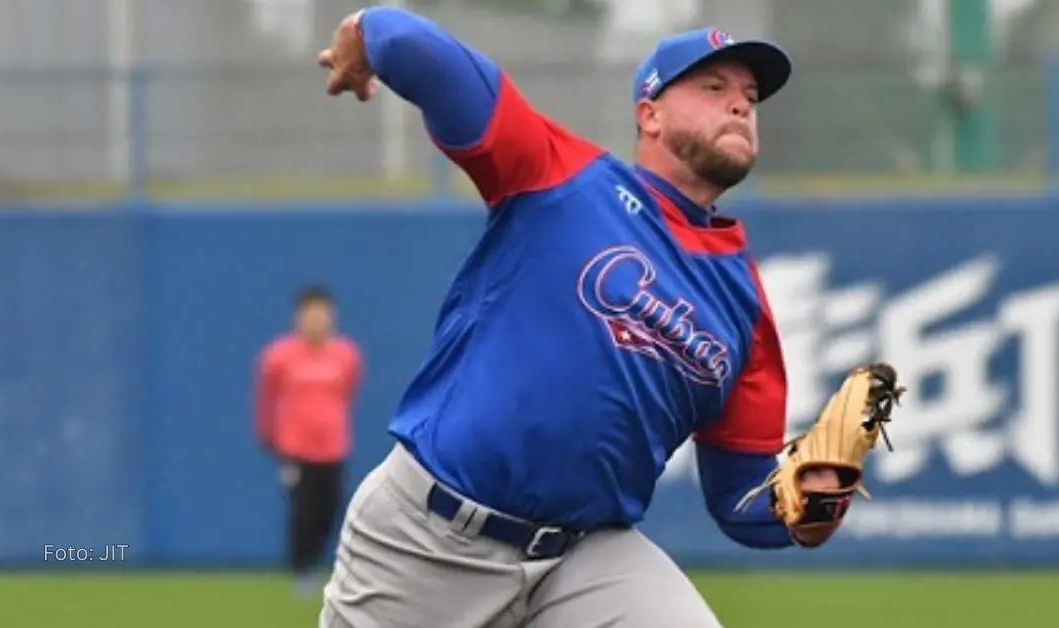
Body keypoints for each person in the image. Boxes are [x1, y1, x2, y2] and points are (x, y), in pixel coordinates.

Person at [313, 6, 881, 627]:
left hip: (585, 558)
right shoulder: (563, 177)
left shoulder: (742, 302)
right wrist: (363, 29)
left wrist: (812, 501)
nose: (741, 105)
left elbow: (741, 500)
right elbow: (412, 44)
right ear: (650, 113)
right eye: (713, 88)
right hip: (431, 535)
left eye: (749, 95)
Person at [254, 284, 363, 597]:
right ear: (298, 317)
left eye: (323, 314)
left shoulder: (346, 355)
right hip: (295, 450)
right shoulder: (279, 356)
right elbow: (266, 398)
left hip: (333, 448)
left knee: (329, 510)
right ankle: (300, 571)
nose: (317, 320)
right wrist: (269, 435)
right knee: (302, 511)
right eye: (310, 314)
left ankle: (319, 562)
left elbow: (349, 392)